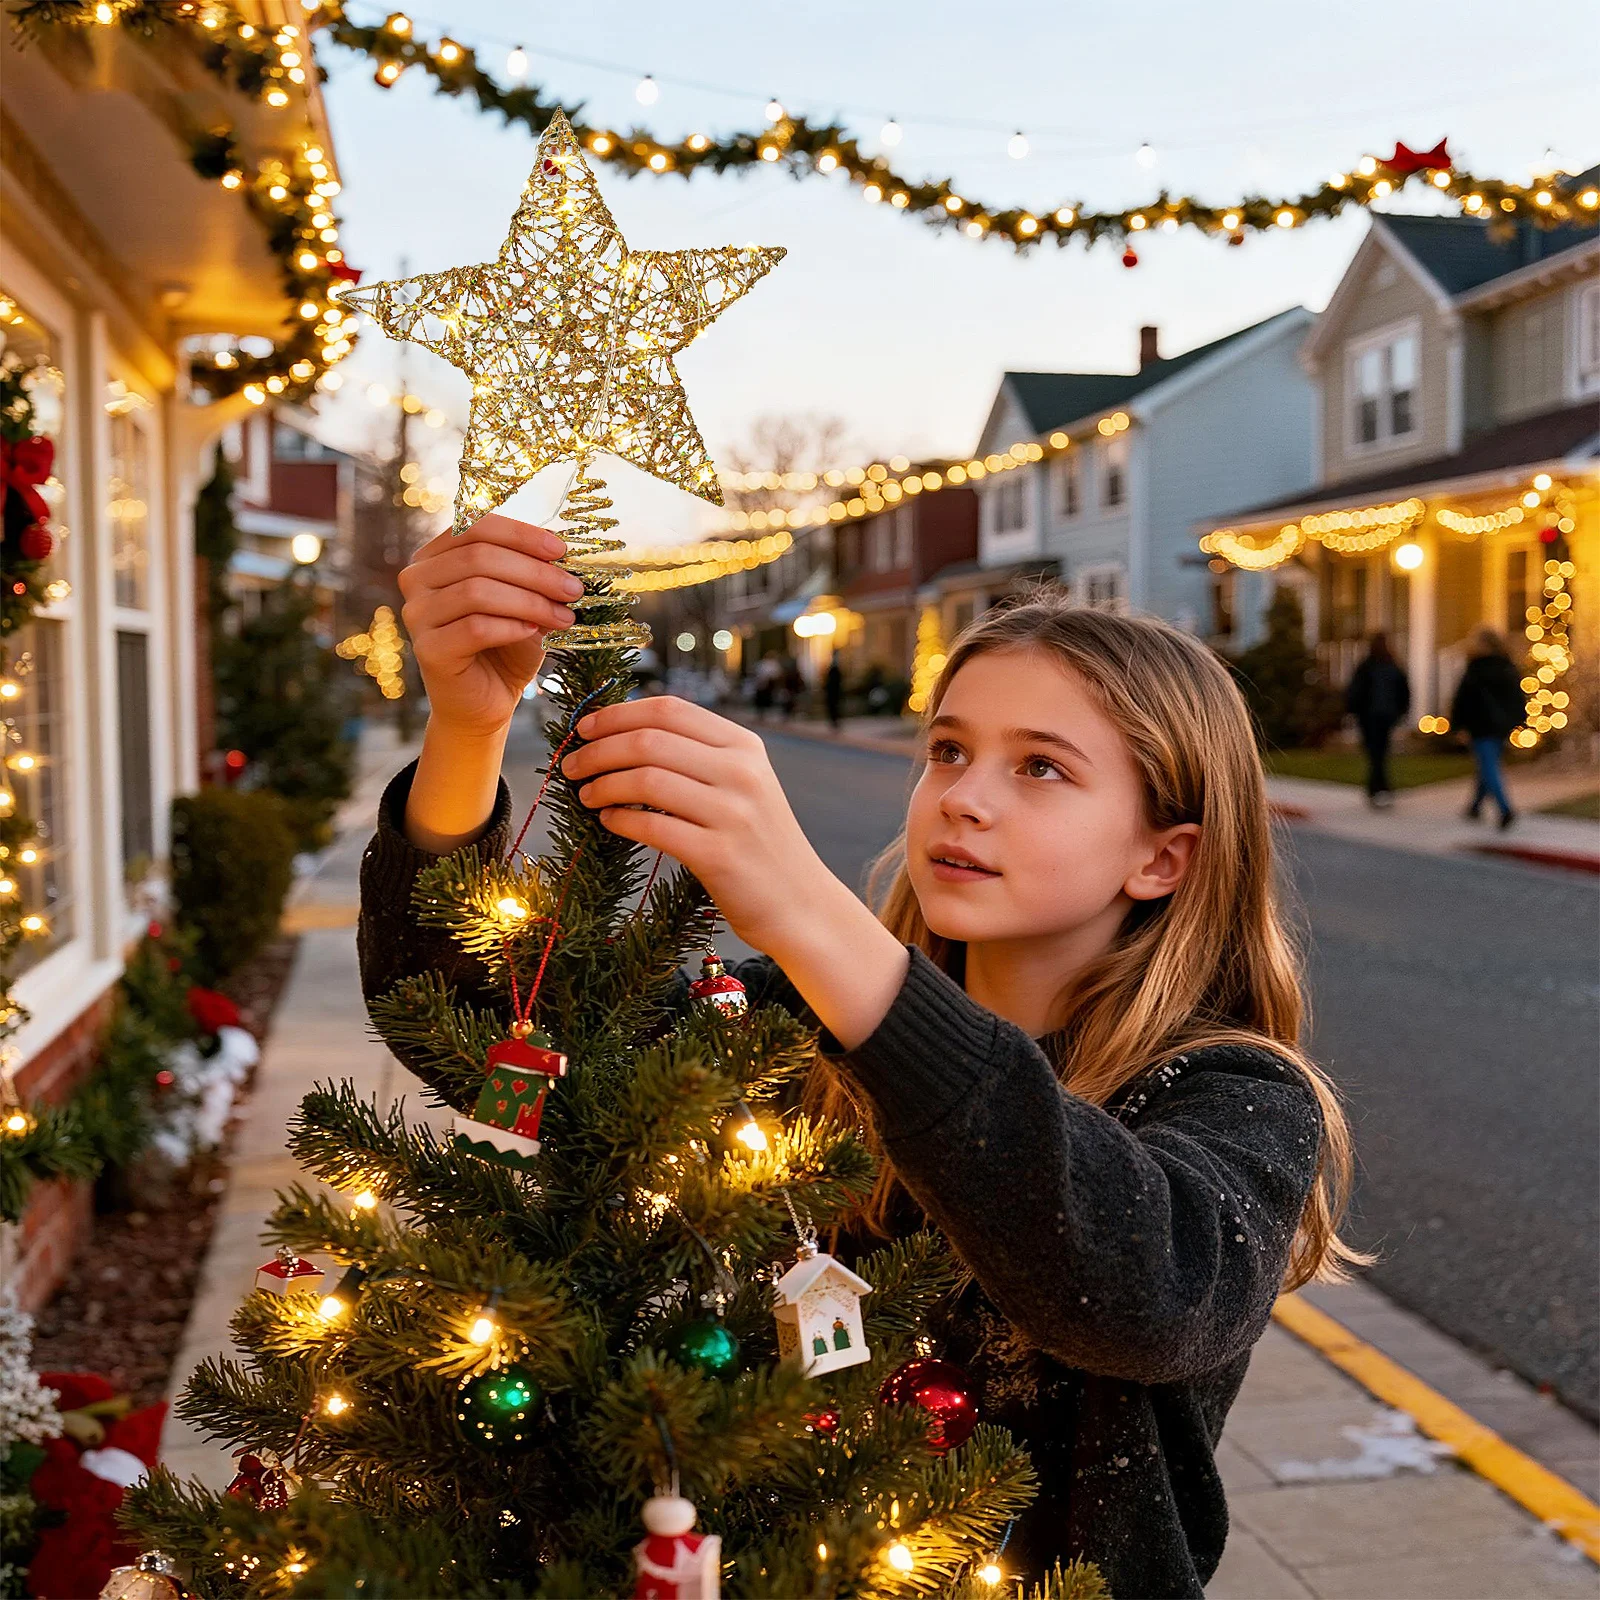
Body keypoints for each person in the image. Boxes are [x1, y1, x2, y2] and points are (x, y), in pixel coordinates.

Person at [362, 515, 1367, 1600]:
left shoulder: (1236, 1098)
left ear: (1162, 857)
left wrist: (804, 909)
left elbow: (1139, 1294)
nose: (962, 796)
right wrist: (468, 727)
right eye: (948, 749)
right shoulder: (792, 1031)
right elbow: (480, 1039)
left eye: (1040, 767)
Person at [1450, 626, 1524, 829]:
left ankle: (1504, 808)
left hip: (1481, 724)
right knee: (1487, 763)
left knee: (1488, 765)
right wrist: (1515, 720)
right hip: (1500, 725)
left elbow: (1462, 699)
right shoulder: (1507, 667)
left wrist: (1458, 725)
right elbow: (1517, 699)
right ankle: (1475, 806)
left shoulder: (1477, 668)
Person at [1344, 633, 1410, 808]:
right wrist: (1400, 712)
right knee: (1379, 753)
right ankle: (1380, 788)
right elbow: (1404, 691)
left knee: (1375, 754)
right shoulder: (1391, 666)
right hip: (1383, 716)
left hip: (1372, 717)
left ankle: (1377, 789)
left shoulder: (1368, 666)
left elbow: (1355, 692)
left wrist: (1353, 710)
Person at [823, 653, 844, 732]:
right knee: (832, 708)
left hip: (835, 694)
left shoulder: (836, 671)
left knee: (836, 708)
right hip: (832, 694)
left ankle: (835, 722)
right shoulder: (831, 670)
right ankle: (834, 722)